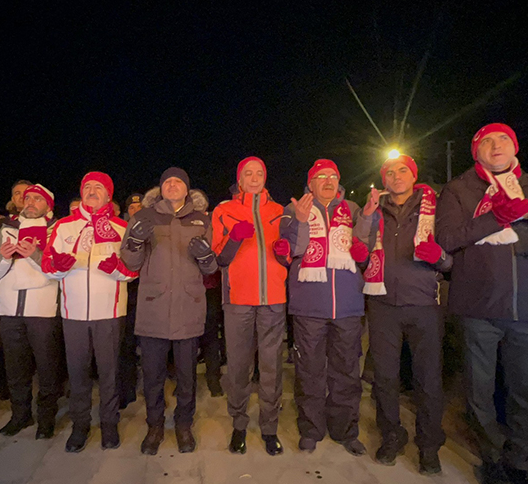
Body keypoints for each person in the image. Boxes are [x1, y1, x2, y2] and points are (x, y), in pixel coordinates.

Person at [435, 123, 528, 484]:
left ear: (515, 147)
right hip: (477, 306)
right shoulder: (459, 189)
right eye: (487, 141)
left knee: (527, 392)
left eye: (504, 139)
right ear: (475, 151)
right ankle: (492, 458)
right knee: (478, 391)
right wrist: (496, 216)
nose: (496, 146)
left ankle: (521, 462)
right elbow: (447, 237)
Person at [280, 159, 378, 455]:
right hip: (309, 305)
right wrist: (300, 220)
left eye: (332, 176)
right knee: (309, 371)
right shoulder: (294, 209)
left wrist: (367, 218)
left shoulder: (353, 209)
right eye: (320, 176)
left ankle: (345, 430)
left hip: (347, 304)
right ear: (310, 183)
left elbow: (365, 250)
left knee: (346, 371)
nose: (327, 181)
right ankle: (311, 429)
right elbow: (293, 250)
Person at [120, 167, 218, 454]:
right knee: (152, 376)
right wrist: (134, 242)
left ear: (187, 189)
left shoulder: (201, 219)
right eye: (167, 182)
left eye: (178, 181)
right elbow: (130, 262)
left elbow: (210, 268)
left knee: (187, 376)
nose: (172, 185)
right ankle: (154, 426)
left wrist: (206, 257)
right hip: (154, 308)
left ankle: (184, 424)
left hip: (188, 308)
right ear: (160, 188)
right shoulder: (143, 217)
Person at [362, 155, 450, 474]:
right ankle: (392, 435)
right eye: (390, 172)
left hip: (423, 303)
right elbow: (361, 251)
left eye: (403, 170)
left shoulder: (435, 209)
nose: (396, 176)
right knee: (385, 377)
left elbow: (452, 259)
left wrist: (440, 257)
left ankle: (428, 445)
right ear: (383, 179)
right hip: (382, 303)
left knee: (428, 378)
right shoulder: (374, 211)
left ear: (414, 176)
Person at [42, 172, 137, 452]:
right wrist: (58, 266)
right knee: (77, 373)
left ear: (108, 195)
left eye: (99, 187)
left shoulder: (121, 227)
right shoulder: (64, 226)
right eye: (87, 187)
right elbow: (47, 265)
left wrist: (117, 269)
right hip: (73, 314)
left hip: (109, 313)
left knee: (109, 373)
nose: (92, 191)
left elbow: (133, 271)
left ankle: (109, 424)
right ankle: (80, 425)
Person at [212, 156, 288, 455]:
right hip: (238, 299)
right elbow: (220, 258)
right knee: (239, 365)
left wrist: (284, 253)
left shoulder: (279, 212)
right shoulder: (224, 210)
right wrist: (234, 238)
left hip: (273, 299)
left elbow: (288, 255)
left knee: (272, 366)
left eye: (259, 173)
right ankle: (239, 424)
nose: (254, 178)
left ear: (265, 178)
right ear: (240, 180)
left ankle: (270, 427)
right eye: (248, 174)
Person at [0, 183, 61, 439]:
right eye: (27, 198)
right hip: (10, 309)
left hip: (42, 308)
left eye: (37, 199)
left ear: (48, 206)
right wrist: (5, 257)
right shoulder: (8, 229)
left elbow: (58, 269)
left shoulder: (56, 229)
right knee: (15, 367)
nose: (30, 202)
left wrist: (34, 255)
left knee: (47, 367)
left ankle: (47, 418)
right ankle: (20, 415)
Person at [117, 192, 144, 409]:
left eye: (140, 207)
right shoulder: (121, 229)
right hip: (127, 295)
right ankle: (127, 390)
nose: (136, 211)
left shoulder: (154, 228)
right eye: (132, 208)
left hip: (149, 295)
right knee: (126, 345)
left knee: (151, 347)